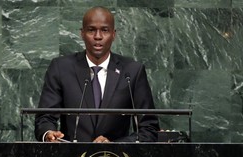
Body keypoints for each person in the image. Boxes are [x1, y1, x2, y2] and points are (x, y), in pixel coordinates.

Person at [34, 6, 159, 143]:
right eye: (91, 30)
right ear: (82, 33)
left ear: (113, 34)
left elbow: (148, 128)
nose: (97, 37)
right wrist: (48, 134)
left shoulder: (132, 71)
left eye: (104, 30)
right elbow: (45, 118)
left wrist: (115, 145)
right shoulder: (61, 68)